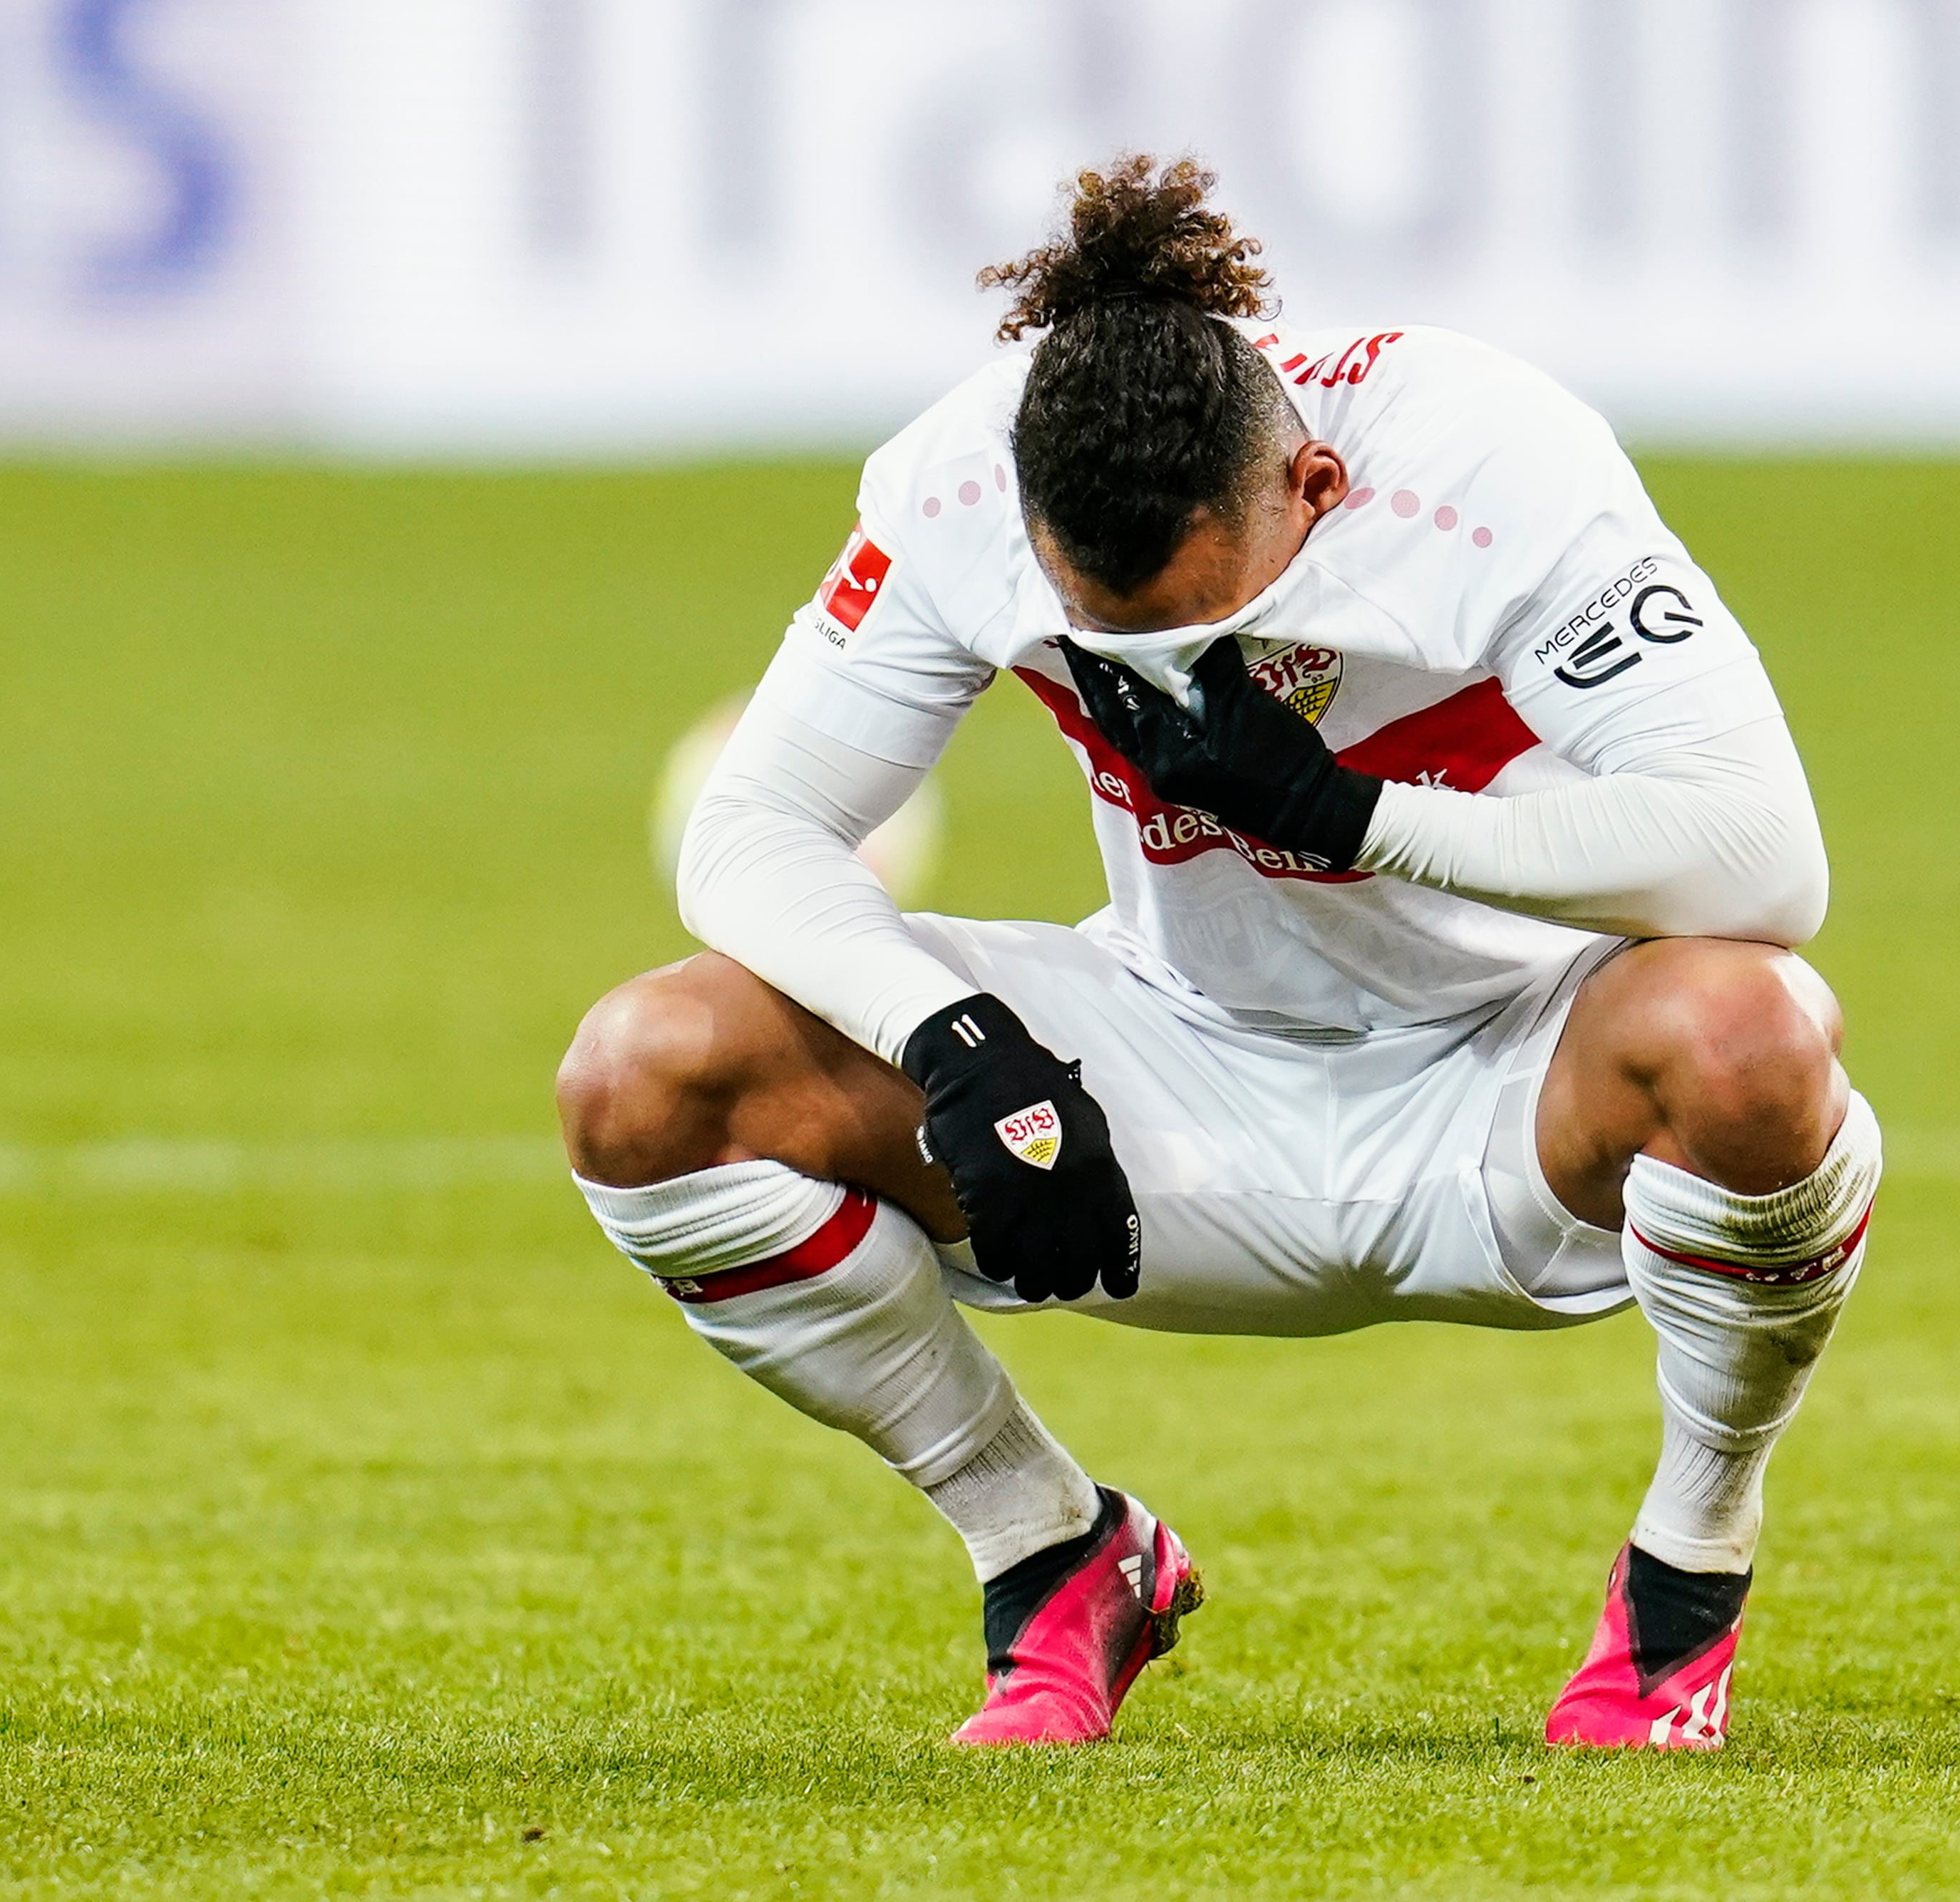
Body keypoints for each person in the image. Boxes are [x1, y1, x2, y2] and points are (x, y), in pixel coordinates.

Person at [557, 156, 1874, 1752]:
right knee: (643, 1074)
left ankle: (1684, 1570)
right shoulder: (961, 483)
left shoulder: (1493, 465)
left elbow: (1759, 855)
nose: (1156, 671)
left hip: (1518, 1079)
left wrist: (1350, 812)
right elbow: (750, 835)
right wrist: (953, 1039)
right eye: (1103, 633)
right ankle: (1048, 1551)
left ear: (1313, 489)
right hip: (1170, 1073)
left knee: (1752, 1034)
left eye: (1190, 627)